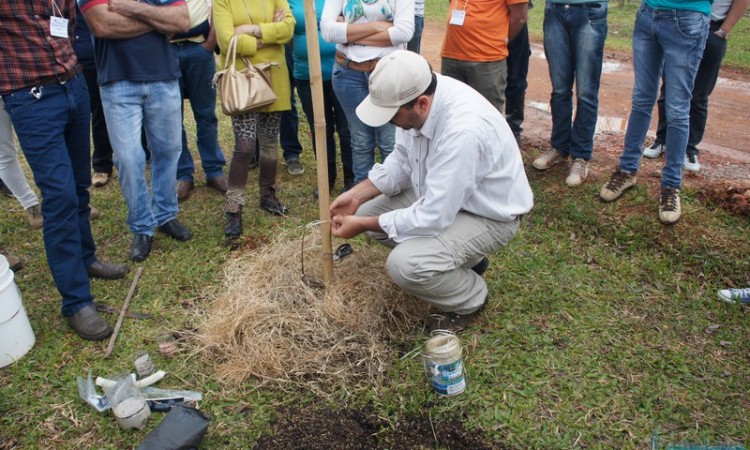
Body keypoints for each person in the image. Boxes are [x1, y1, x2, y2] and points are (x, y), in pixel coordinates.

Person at [329, 51, 533, 332]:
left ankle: (471, 297)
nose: (389, 122)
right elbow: (402, 160)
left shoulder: (462, 132)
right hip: (447, 197)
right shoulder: (418, 97)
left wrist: (361, 224)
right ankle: (465, 261)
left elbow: (433, 215)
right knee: (368, 212)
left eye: (391, 116)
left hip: (490, 214)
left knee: (404, 265)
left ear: (421, 104)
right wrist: (356, 195)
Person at [1, 0, 129, 341]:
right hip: (30, 96)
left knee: (79, 185)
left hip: (72, 84)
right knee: (59, 196)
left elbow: (69, 22)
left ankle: (86, 257)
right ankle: (76, 302)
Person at [80, 0, 194, 262]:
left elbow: (181, 22)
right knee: (129, 159)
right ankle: (142, 225)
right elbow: (102, 24)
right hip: (117, 82)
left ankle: (165, 214)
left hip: (164, 78)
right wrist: (157, 21)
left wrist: (130, 8)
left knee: (168, 151)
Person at [600, 0, 710, 225]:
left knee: (677, 108)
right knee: (641, 99)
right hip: (648, 14)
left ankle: (671, 185)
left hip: (688, 17)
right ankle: (627, 170)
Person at [213, 0, 295, 239]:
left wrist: (250, 31)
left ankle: (268, 195)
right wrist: (271, 32)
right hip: (243, 83)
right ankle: (233, 209)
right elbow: (227, 41)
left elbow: (289, 28)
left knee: (269, 143)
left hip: (274, 76)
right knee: (245, 146)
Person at [642, 0, 750, 173]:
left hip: (712, 28)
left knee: (699, 94)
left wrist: (723, 31)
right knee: (669, 88)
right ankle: (662, 139)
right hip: (682, 22)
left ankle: (689, 148)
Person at [320, 0, 414, 184]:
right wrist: (379, 27)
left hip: (388, 74)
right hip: (349, 73)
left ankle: (392, 195)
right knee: (360, 141)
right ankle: (363, 199)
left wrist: (347, 34)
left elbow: (404, 32)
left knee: (390, 141)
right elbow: (328, 31)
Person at [532, 0, 607, 187]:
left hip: (589, 9)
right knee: (559, 90)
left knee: (586, 92)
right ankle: (559, 148)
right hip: (555, 9)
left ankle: (581, 156)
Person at [289, 0, 354, 196]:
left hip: (342, 71)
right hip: (306, 74)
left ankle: (351, 178)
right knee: (319, 128)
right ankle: (326, 177)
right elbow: (285, 31)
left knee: (346, 128)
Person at [171, 0, 228, 202]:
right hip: (166, 52)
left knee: (206, 114)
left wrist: (210, 43)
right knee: (172, 117)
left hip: (199, 50)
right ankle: (183, 174)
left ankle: (213, 170)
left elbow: (216, 8)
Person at [440, 0, 528, 114]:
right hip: (452, 54)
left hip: (487, 59)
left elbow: (520, 16)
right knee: (450, 113)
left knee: (487, 116)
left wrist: (497, 41)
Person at [73, 3, 115, 188]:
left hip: (110, 53)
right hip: (82, 60)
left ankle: (145, 150)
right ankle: (102, 165)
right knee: (98, 111)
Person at [0, 99, 43, 230]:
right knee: (4, 154)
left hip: (24, 85)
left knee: (44, 141)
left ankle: (72, 200)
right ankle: (31, 206)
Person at [504, 1, 532, 145]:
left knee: (515, 78)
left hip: (513, 19)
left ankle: (513, 132)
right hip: (483, 22)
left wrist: (503, 40)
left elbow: (520, 14)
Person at [280, 44, 306, 176]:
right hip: (258, 50)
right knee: (256, 100)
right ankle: (255, 152)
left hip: (287, 44)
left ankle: (291, 153)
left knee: (286, 101)